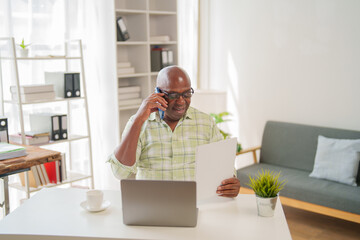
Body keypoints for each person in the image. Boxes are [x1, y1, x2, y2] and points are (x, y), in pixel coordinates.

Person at [108, 66, 240, 198]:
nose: (181, 101)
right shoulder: (139, 123)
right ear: (157, 93)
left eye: (187, 94)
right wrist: (138, 120)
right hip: (152, 204)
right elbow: (120, 173)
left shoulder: (206, 123)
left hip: (195, 203)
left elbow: (222, 168)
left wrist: (231, 183)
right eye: (173, 95)